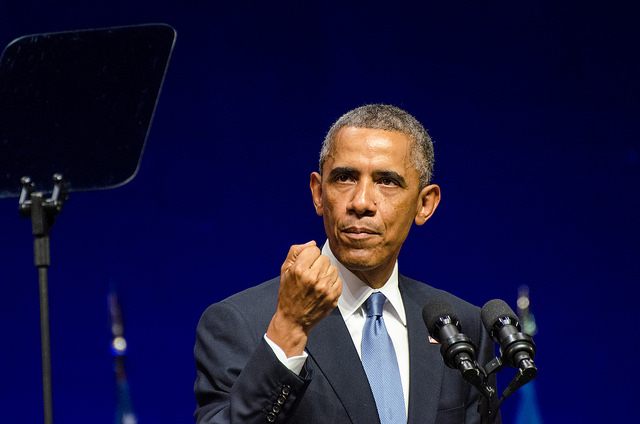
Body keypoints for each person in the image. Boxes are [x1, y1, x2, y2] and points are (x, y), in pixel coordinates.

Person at [194, 104, 498, 423]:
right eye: (344, 178)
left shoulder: (462, 325)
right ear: (318, 193)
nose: (361, 202)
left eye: (387, 181)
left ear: (424, 204)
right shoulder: (240, 323)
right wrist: (290, 329)